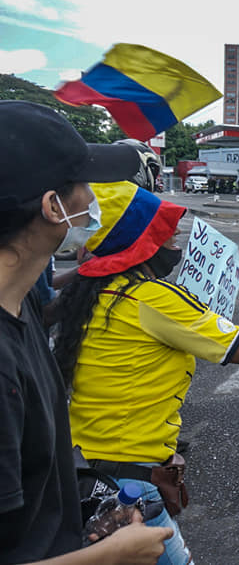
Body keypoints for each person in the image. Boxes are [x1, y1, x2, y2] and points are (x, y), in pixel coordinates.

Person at [53, 180, 239, 565]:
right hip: (129, 483)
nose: (176, 240)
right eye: (164, 234)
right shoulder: (150, 299)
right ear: (139, 243)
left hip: (86, 469)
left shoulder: (99, 291)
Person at [0, 101, 172, 564]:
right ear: (53, 207)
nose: (94, 198)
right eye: (84, 185)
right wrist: (111, 556)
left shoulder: (23, 310)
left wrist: (89, 500)